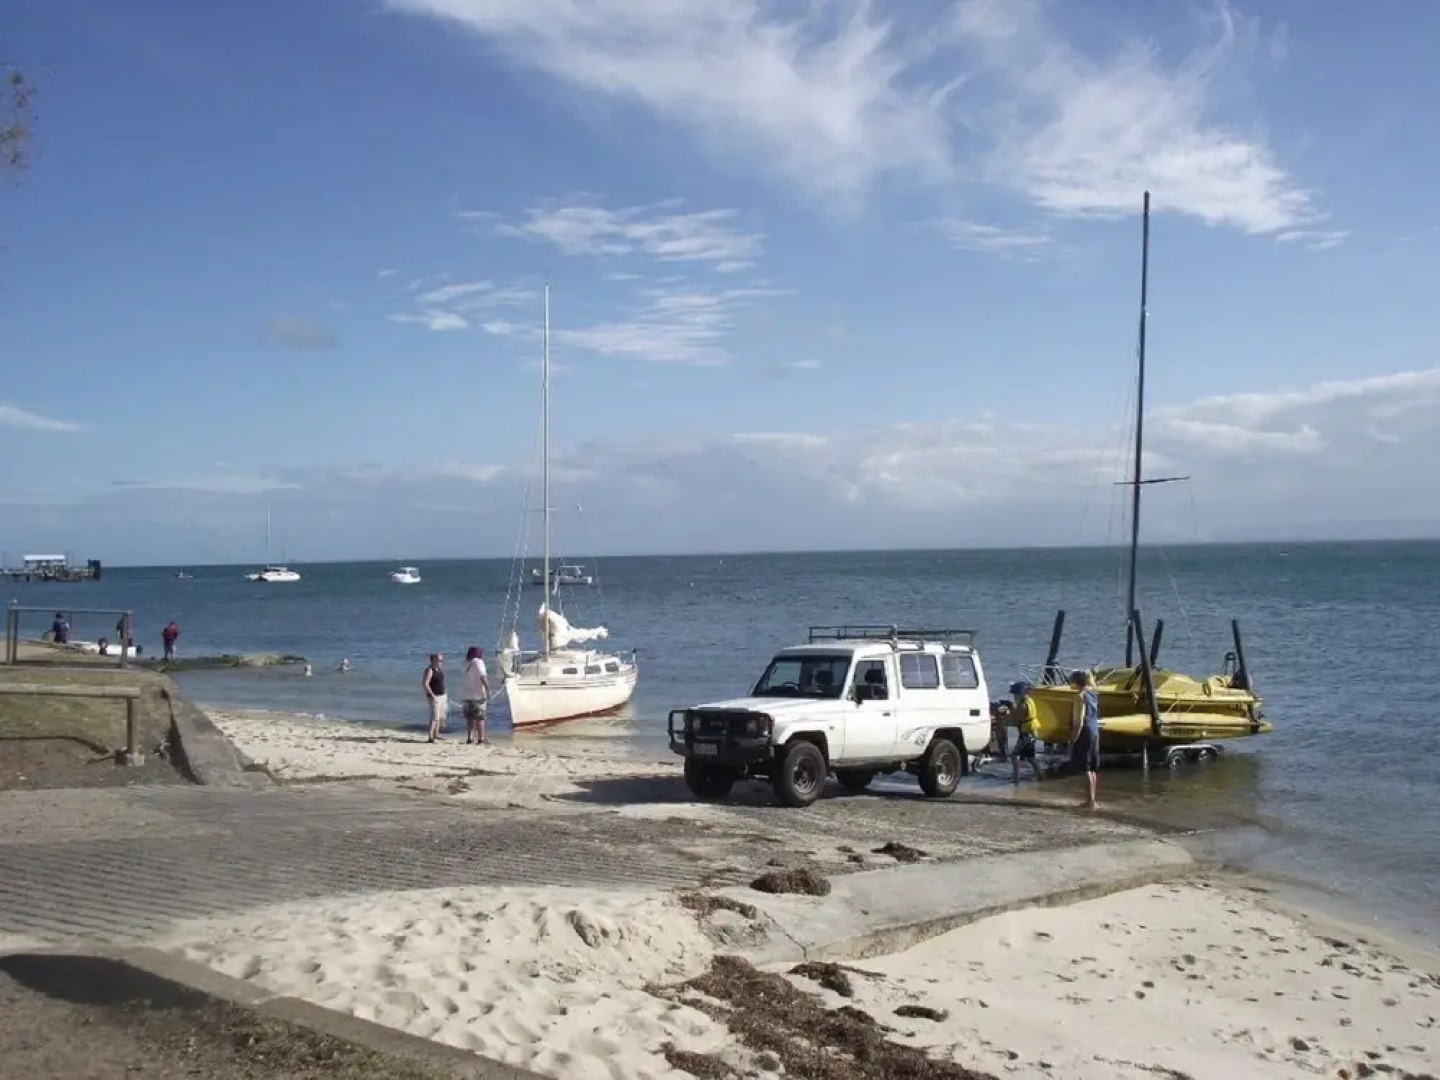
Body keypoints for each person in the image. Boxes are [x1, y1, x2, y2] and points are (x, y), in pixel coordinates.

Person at [1069, 668, 1100, 810]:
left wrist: (1072, 739)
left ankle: (1090, 801)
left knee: (1086, 768)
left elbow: (1079, 722)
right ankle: (1092, 799)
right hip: (1095, 731)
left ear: (1076, 682)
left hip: (1085, 732)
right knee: (1092, 768)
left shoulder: (1079, 697)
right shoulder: (1093, 693)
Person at [1009, 680, 1043, 784]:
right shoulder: (1030, 700)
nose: (1014, 697)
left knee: (1014, 755)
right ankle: (1041, 777)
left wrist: (1010, 709)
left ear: (1020, 693)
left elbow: (1016, 720)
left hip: (1026, 734)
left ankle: (1016, 781)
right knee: (1030, 757)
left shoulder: (1023, 705)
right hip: (1033, 732)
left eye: (1015, 694)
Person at [461, 645, 491, 745]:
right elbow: (483, 676)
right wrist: (488, 689)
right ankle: (481, 738)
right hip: (478, 695)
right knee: (480, 717)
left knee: (470, 717)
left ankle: (470, 737)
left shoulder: (465, 663)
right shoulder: (478, 662)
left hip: (466, 694)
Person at [423, 652, 447, 743]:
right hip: (434, 696)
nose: (441, 662)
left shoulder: (439, 669)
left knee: (440, 716)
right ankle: (430, 737)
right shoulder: (430, 670)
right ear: (433, 660)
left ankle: (436, 734)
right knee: (435, 717)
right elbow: (425, 684)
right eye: (439, 660)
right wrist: (432, 695)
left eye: (442, 660)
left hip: (442, 695)